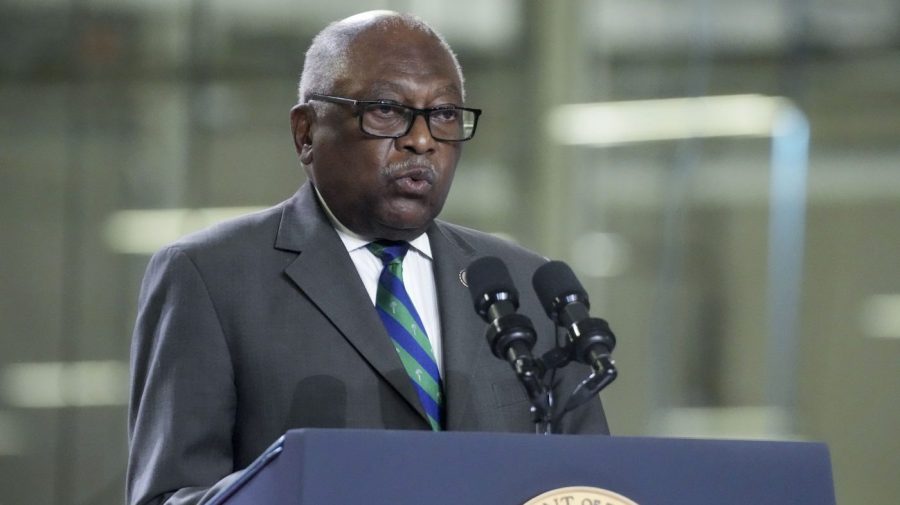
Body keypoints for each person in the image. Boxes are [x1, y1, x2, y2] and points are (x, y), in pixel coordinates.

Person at [127, 10, 609, 505]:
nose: (421, 140)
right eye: (385, 109)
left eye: (443, 114)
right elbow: (171, 496)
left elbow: (596, 486)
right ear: (306, 133)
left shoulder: (522, 285)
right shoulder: (210, 277)